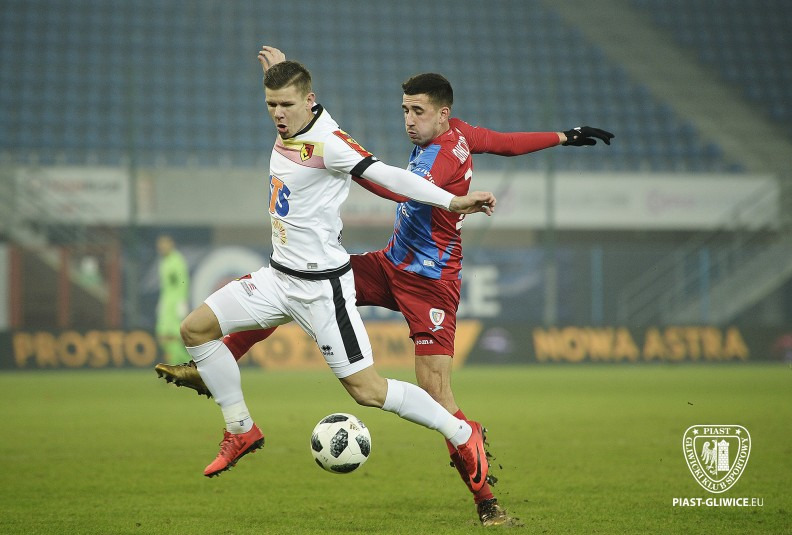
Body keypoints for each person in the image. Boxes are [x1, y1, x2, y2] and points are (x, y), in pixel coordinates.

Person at [156, 47, 613, 526]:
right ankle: (218, 370)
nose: (409, 121)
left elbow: (391, 182)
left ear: (443, 113)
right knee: (291, 287)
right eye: (405, 110)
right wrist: (564, 136)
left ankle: (486, 499)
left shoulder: (435, 160)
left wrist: (451, 201)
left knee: (435, 393)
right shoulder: (459, 133)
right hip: (389, 264)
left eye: (418, 112)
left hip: (431, 284)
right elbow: (505, 142)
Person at [172, 45, 498, 499]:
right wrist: (281, 73)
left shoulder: (330, 144)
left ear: (309, 101)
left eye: (286, 104)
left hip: (321, 289)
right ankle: (241, 429)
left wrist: (452, 200)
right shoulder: (299, 119)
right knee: (195, 329)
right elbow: (292, 99)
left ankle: (462, 434)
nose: (278, 114)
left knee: (368, 391)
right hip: (277, 277)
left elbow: (390, 176)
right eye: (271, 105)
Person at [155, 234, 191, 364]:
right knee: (163, 338)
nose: (162, 247)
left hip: (175, 305)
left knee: (173, 337)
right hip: (166, 304)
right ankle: (186, 366)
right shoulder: (164, 262)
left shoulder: (177, 261)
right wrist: (162, 303)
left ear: (171, 244)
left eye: (164, 244)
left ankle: (186, 366)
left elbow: (183, 282)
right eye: (160, 245)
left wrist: (182, 302)